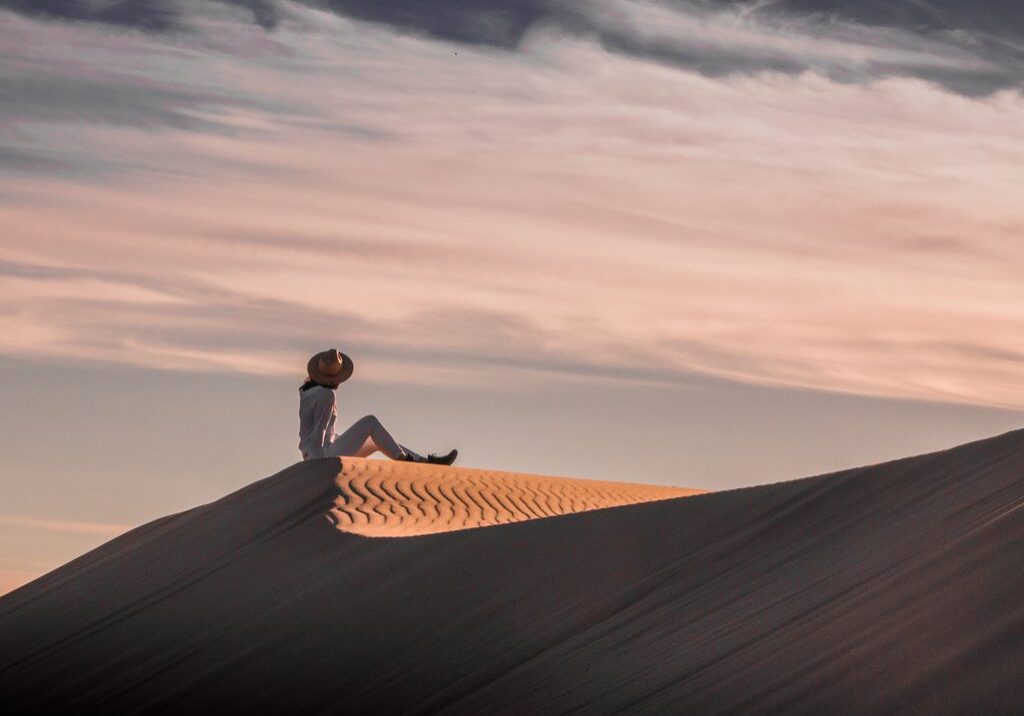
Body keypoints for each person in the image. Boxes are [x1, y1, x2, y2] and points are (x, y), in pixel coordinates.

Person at [298, 348, 457, 465]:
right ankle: (405, 460)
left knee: (375, 440)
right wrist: (315, 462)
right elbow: (319, 430)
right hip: (321, 457)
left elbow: (315, 432)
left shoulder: (309, 392)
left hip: (319, 452)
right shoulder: (327, 395)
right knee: (370, 422)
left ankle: (421, 461)